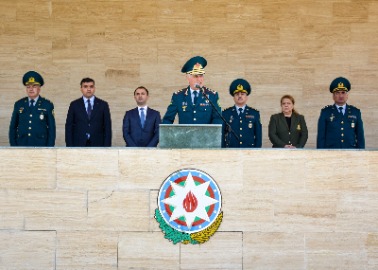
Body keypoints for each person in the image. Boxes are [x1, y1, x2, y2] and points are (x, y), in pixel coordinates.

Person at [162, 56, 222, 124]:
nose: (199, 79)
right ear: (188, 78)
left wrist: (210, 134)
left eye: (201, 75)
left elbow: (218, 119)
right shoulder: (178, 96)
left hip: (205, 134)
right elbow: (167, 120)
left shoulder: (212, 95)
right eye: (196, 76)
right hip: (184, 134)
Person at [9, 71, 56, 146]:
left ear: (39, 88)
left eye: (34, 86)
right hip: (21, 144)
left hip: (41, 145)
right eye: (28, 87)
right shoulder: (19, 104)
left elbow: (51, 129)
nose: (31, 89)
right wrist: (14, 146)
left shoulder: (47, 105)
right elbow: (13, 127)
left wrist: (49, 148)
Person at [317, 77, 365, 149]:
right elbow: (321, 136)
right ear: (333, 96)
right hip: (331, 152)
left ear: (347, 95)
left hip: (350, 152)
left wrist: (361, 153)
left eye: (343, 92)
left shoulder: (355, 112)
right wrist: (321, 154)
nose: (341, 96)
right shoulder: (326, 112)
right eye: (337, 93)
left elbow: (360, 136)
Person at [65, 77, 112, 147]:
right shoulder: (74, 105)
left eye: (91, 86)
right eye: (85, 87)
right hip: (78, 144)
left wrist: (107, 146)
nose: (89, 89)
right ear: (81, 89)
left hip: (98, 144)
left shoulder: (103, 105)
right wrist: (69, 146)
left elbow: (107, 127)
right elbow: (69, 126)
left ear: (94, 88)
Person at [222, 78, 262, 148]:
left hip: (249, 152)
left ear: (246, 97)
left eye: (242, 94)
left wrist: (256, 152)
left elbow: (258, 136)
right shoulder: (226, 114)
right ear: (233, 97)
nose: (240, 96)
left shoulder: (254, 113)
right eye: (237, 94)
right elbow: (222, 135)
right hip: (231, 151)